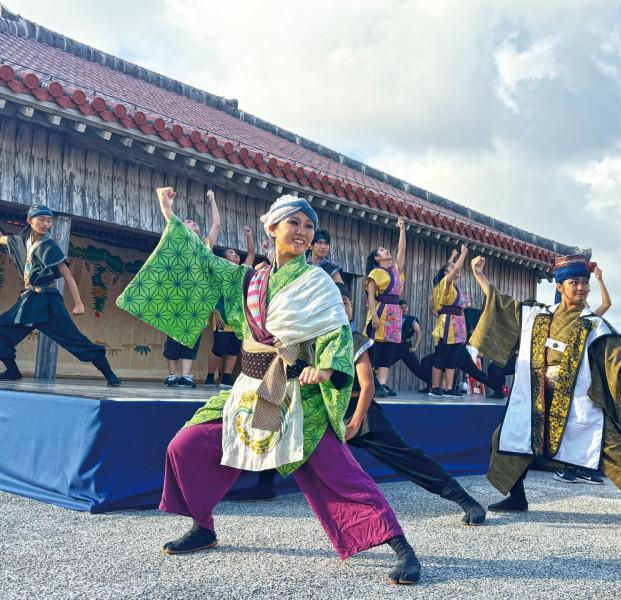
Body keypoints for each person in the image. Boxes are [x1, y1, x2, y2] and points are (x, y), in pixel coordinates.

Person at [118, 191, 421, 585]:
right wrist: (168, 215)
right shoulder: (250, 278)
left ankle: (401, 546)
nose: (303, 231)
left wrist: (326, 369)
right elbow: (204, 265)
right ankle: (203, 526)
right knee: (186, 445)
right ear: (273, 228)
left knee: (340, 472)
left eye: (309, 226)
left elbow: (336, 332)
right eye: (294, 222)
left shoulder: (318, 282)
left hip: (296, 390)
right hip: (248, 389)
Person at [470, 254, 621, 537]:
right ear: (560, 286)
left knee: (617, 455)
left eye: (585, 282)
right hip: (537, 400)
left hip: (578, 402)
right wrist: (480, 276)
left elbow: (619, 357)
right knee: (507, 440)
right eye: (575, 282)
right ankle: (517, 498)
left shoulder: (593, 324)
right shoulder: (538, 316)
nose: (582, 288)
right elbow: (503, 306)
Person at [341, 283, 485, 524]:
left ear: (352, 306)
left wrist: (355, 425)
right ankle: (269, 486)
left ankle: (465, 499)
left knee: (407, 457)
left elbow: (368, 386)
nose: (341, 307)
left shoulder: (356, 340)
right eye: (335, 302)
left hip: (359, 412)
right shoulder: (313, 341)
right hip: (325, 413)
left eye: (345, 302)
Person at [0, 204, 119, 386]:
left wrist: (78, 302)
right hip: (28, 302)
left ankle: (110, 374)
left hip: (48, 303)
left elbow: (68, 275)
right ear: (30, 221)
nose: (46, 224)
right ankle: (12, 370)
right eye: (41, 219)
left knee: (75, 340)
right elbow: (2, 239)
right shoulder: (19, 241)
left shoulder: (50, 246)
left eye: (49, 220)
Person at [164, 189, 221, 389]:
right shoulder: (178, 243)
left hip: (196, 304)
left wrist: (213, 200)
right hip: (176, 300)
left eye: (194, 222)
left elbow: (216, 225)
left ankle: (186, 376)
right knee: (173, 341)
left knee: (191, 340)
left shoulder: (204, 248)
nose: (193, 222)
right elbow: (171, 220)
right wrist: (167, 204)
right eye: (188, 222)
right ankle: (172, 375)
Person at [204, 228, 256, 388]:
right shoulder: (220, 272)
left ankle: (226, 377)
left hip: (239, 317)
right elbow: (215, 296)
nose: (236, 255)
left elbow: (251, 255)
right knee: (218, 348)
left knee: (234, 349)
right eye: (231, 253)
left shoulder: (243, 270)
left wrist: (249, 236)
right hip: (223, 316)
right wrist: (217, 316)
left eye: (236, 253)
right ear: (225, 259)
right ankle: (210, 377)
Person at [365, 218, 407, 397]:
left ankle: (382, 384)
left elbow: (402, 250)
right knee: (376, 348)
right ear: (377, 258)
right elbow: (370, 296)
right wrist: (374, 316)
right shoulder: (375, 272)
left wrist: (402, 230)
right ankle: (372, 383)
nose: (386, 250)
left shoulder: (396, 270)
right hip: (381, 312)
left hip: (395, 314)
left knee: (389, 351)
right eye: (382, 250)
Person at [429, 245, 470, 398]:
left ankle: (448, 388)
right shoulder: (445, 284)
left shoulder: (456, 289)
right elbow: (454, 268)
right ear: (446, 273)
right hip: (447, 323)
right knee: (442, 355)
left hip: (458, 324)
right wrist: (463, 254)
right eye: (452, 267)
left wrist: (464, 330)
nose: (456, 268)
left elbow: (462, 310)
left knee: (452, 358)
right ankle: (435, 387)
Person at [389, 299, 428, 385]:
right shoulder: (393, 318)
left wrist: (415, 347)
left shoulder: (411, 319)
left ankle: (431, 385)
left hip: (406, 347)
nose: (404, 309)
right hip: (394, 346)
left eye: (406, 307)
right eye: (402, 308)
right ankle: (378, 385)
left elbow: (419, 332)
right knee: (384, 364)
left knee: (417, 368)